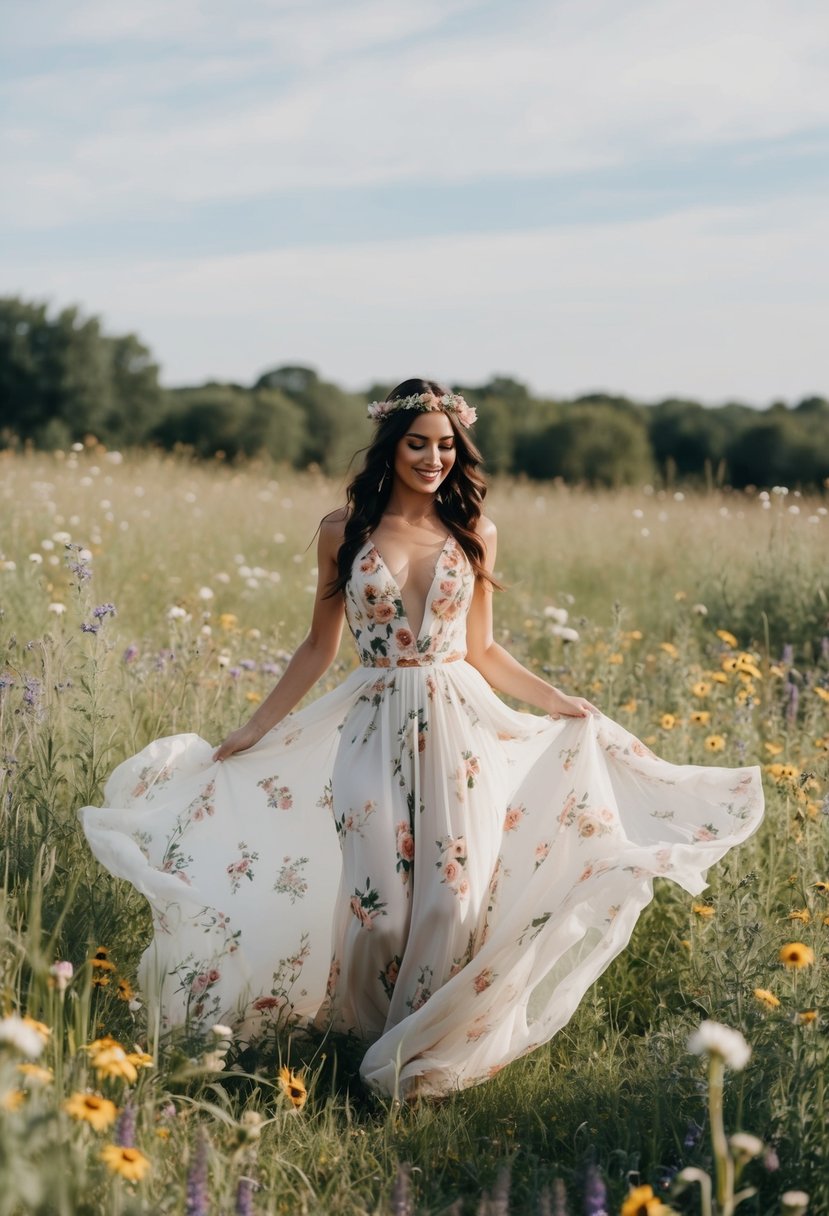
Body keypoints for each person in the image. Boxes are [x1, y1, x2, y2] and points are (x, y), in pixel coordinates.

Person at [80, 378, 764, 1099]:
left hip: (458, 728)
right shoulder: (340, 530)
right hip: (370, 724)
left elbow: (484, 650)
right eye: (418, 443)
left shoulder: (475, 532)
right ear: (390, 446)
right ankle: (360, 1042)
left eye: (445, 445)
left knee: (449, 903)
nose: (433, 457)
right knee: (377, 912)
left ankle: (412, 1060)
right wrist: (255, 726)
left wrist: (559, 700)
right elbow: (317, 647)